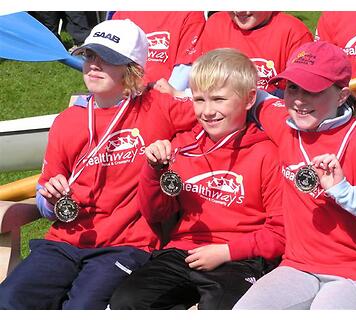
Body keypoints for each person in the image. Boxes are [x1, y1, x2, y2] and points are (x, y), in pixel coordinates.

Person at [0, 19, 198, 310]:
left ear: (132, 69)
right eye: (90, 55)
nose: (94, 64)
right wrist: (50, 198)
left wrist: (179, 97)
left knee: (82, 308)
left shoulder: (158, 106)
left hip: (125, 245)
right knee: (10, 299)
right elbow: (45, 196)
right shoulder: (67, 122)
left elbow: (220, 108)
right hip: (65, 240)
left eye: (107, 59)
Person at [109, 48, 285, 310]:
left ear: (249, 99)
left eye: (218, 99)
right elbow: (156, 213)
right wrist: (153, 170)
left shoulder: (267, 153)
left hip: (242, 256)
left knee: (220, 307)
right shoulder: (181, 147)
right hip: (184, 251)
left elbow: (281, 233)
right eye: (199, 100)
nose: (207, 111)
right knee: (126, 301)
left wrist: (226, 252)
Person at [233, 41, 356, 310]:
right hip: (298, 267)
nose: (299, 100)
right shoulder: (285, 125)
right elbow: (260, 99)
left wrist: (345, 193)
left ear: (342, 95)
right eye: (292, 87)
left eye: (312, 90)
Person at [156, 11, 312, 99]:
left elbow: (301, 98)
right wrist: (180, 94)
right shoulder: (216, 24)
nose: (240, 10)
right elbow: (203, 85)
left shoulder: (294, 32)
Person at [110, 11, 205, 87]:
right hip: (127, 97)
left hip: (165, 100)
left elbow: (184, 71)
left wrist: (162, 99)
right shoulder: (122, 14)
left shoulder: (190, 13)